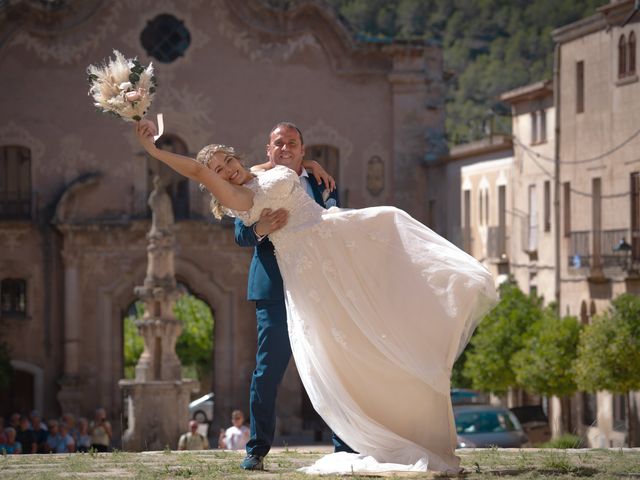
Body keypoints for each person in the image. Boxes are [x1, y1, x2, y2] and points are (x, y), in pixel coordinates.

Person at [134, 120, 497, 474]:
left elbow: (266, 175)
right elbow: (231, 217)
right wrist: (154, 150)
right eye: (279, 143)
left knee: (346, 351)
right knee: (269, 371)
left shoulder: (297, 176)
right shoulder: (239, 196)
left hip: (332, 264)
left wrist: (306, 166)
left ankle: (352, 442)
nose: (226, 170)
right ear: (268, 149)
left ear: (300, 150)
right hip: (281, 286)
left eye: (228, 162)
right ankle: (256, 449)